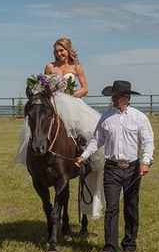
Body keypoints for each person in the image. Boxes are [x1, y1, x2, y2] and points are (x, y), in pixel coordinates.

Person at [18, 37, 105, 220]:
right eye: (56, 51)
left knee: (82, 130)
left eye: (61, 50)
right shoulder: (50, 67)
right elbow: (43, 88)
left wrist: (72, 94)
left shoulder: (76, 67)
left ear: (68, 50)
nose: (58, 54)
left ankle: (84, 158)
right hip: (52, 102)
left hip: (71, 102)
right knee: (39, 126)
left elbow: (85, 88)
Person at [76, 80, 154, 252]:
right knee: (111, 208)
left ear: (128, 97)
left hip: (133, 168)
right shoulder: (105, 118)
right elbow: (96, 141)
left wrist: (146, 162)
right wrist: (84, 156)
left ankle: (129, 243)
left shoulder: (140, 117)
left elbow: (148, 142)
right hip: (111, 168)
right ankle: (110, 249)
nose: (120, 98)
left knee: (131, 207)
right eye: (117, 96)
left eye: (123, 95)